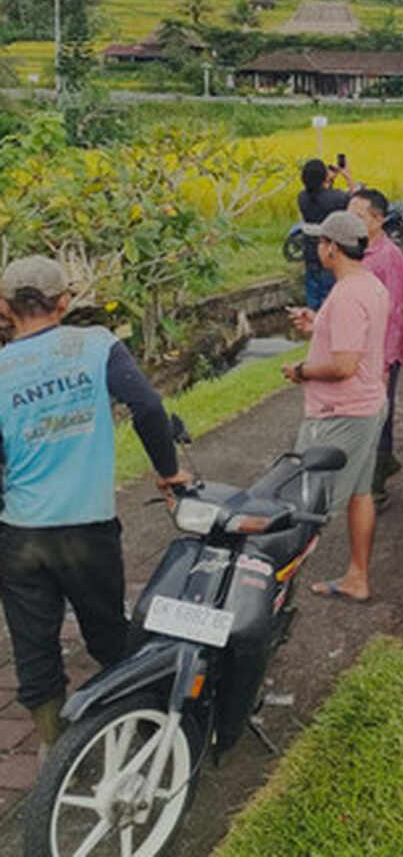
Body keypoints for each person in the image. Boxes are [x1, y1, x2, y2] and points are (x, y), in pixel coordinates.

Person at [0, 256, 187, 756]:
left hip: (21, 533)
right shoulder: (97, 345)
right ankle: (140, 722)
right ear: (64, 302)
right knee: (108, 632)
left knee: (33, 646)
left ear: (4, 307)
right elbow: (147, 406)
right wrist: (169, 471)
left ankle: (54, 752)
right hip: (87, 528)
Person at [283, 211, 388, 604]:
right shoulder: (369, 285)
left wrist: (301, 370)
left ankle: (275, 589)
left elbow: (344, 365)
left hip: (340, 413)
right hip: (368, 405)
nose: (317, 249)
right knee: (360, 494)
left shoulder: (345, 294)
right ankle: (357, 576)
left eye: (320, 242)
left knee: (306, 502)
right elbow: (352, 342)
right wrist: (318, 324)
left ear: (332, 247)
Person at [348, 189, 403, 510]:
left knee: (379, 415)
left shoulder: (390, 256)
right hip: (356, 349)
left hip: (380, 352)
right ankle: (384, 463)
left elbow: (394, 311)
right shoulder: (354, 250)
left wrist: (384, 363)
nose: (351, 221)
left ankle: (377, 484)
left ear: (378, 219)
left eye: (358, 216)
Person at [298, 156, 356, 310]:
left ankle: (313, 321)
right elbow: (355, 202)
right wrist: (347, 176)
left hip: (310, 251)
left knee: (313, 292)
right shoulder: (336, 198)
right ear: (324, 176)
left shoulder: (302, 197)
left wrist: (327, 180)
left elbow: (319, 194)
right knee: (330, 295)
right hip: (329, 252)